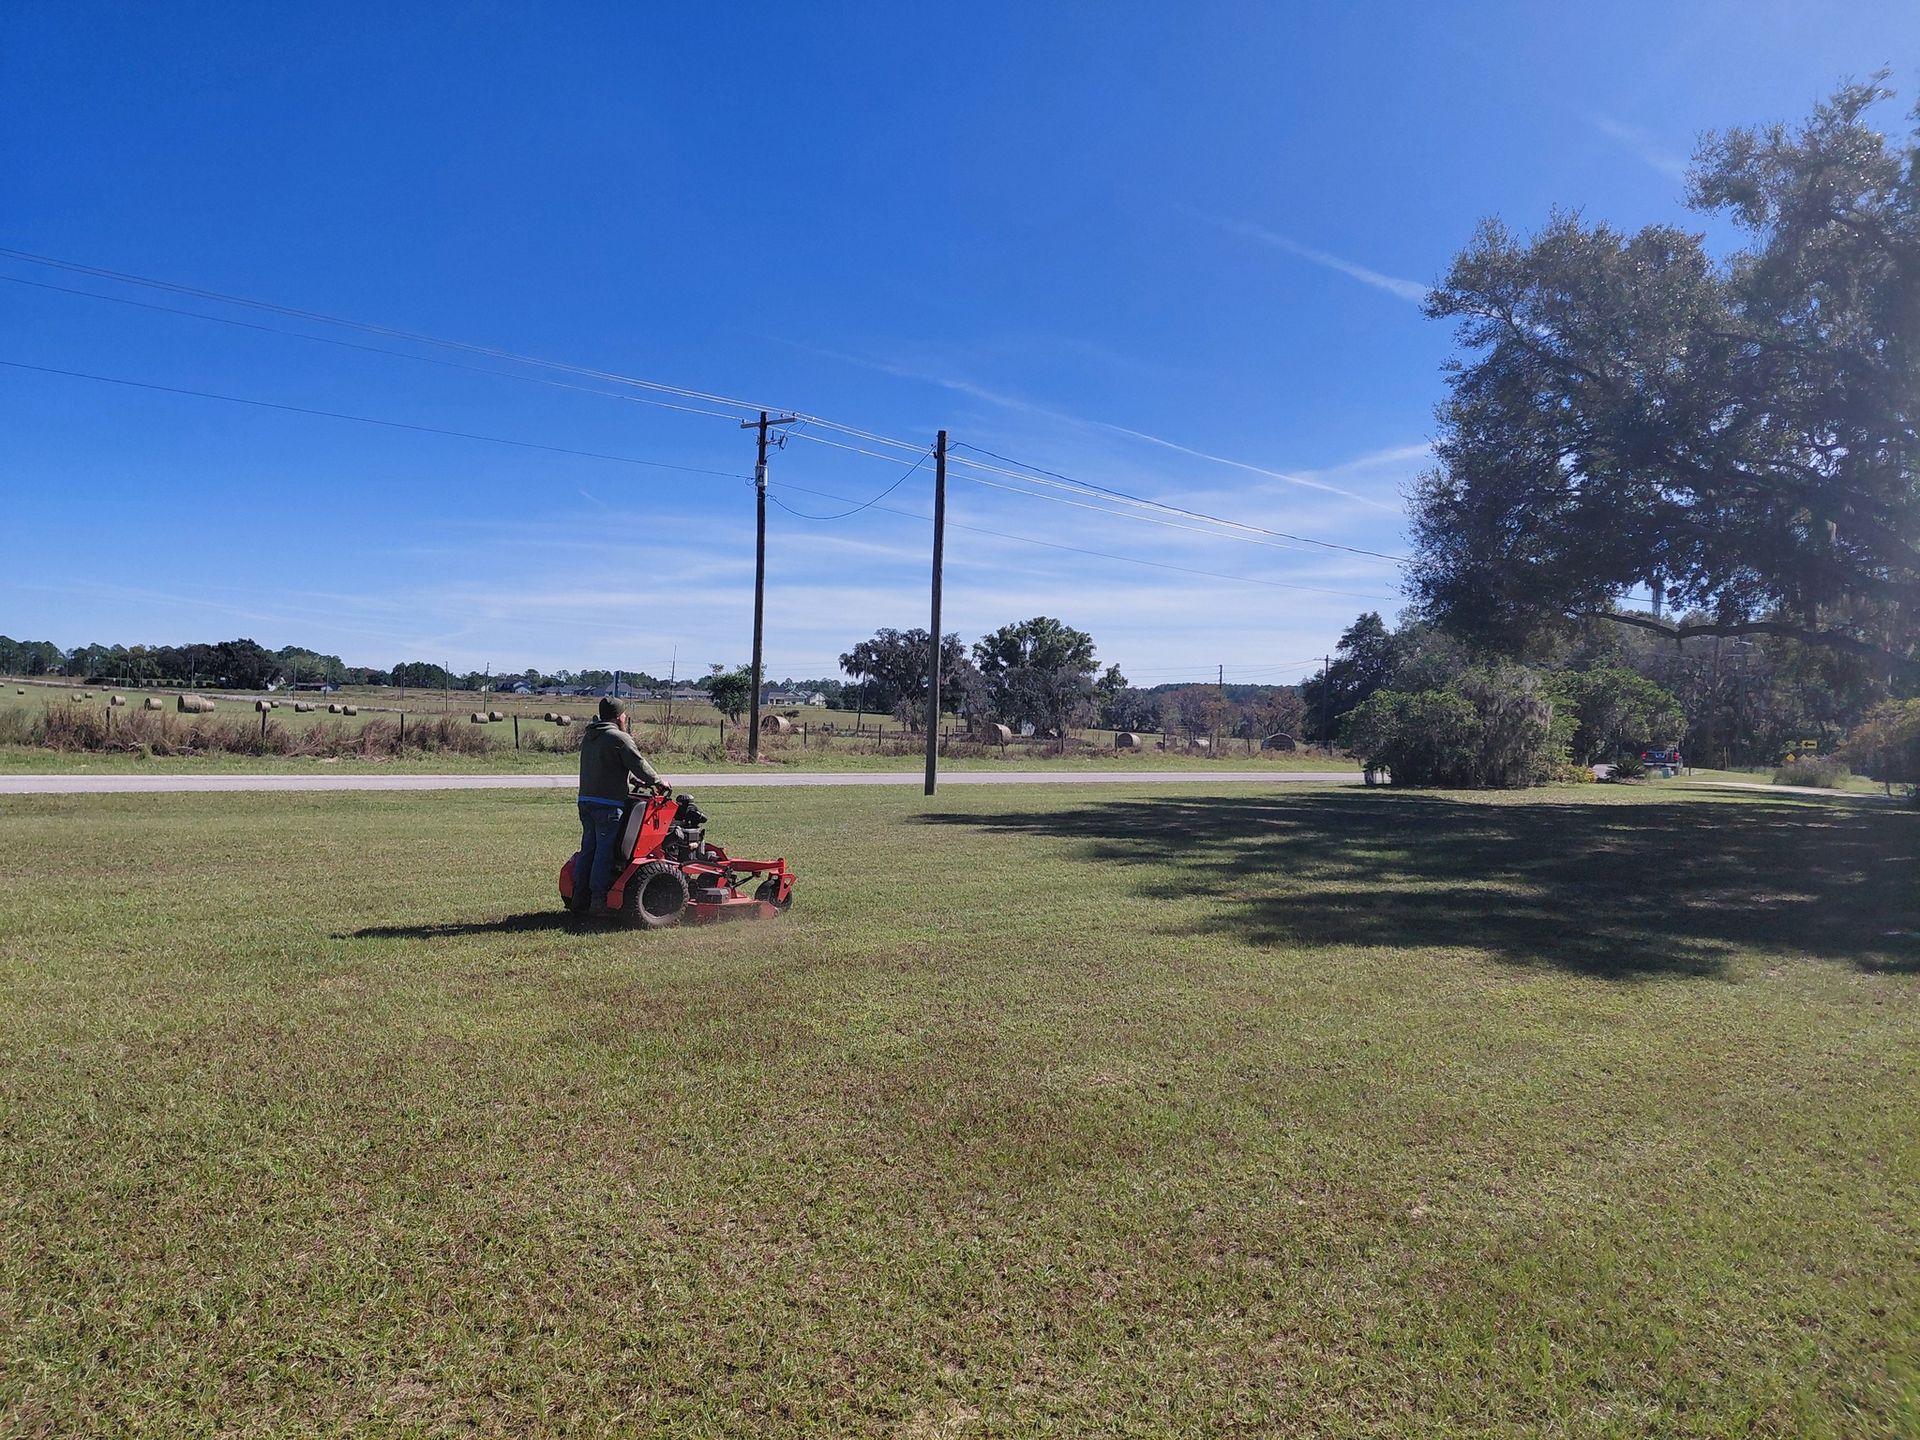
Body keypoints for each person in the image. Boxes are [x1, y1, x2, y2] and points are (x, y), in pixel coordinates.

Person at [575, 697, 667, 917]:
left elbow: (605, 769)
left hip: (586, 801)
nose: (625, 718)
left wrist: (630, 783)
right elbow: (638, 764)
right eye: (624, 715)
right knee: (604, 853)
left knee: (589, 849)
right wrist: (658, 781)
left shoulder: (590, 736)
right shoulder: (619, 737)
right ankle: (598, 902)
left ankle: (580, 898)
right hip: (608, 805)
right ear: (619, 716)